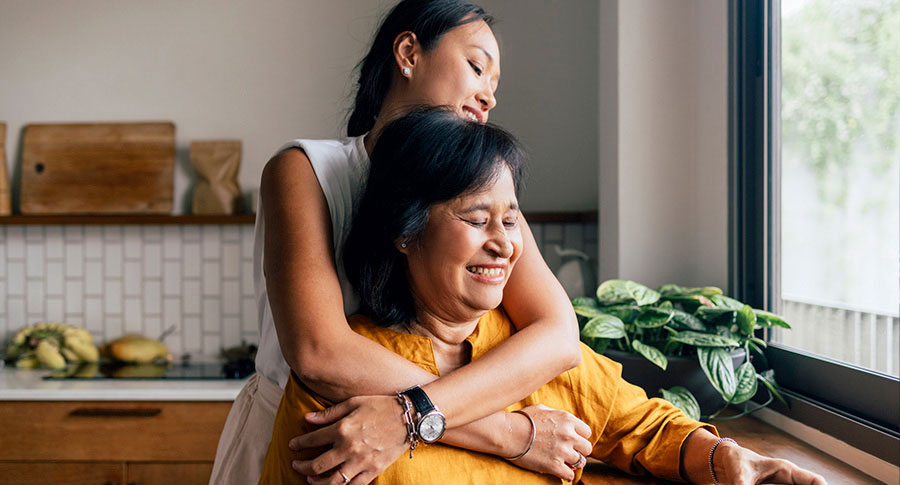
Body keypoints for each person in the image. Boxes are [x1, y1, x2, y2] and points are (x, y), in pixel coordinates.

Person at [260, 109, 828, 485]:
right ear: (406, 233)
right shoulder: (343, 383)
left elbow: (643, 428)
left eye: (511, 221)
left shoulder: (528, 351)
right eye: (476, 218)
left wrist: (724, 458)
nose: (503, 243)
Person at [210, 1, 585, 483]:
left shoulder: (483, 194)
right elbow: (319, 352)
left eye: (495, 86)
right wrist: (509, 434)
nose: (488, 96)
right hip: (303, 446)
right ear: (409, 53)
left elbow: (558, 336)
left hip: (426, 459)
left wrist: (409, 419)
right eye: (476, 67)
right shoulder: (304, 172)